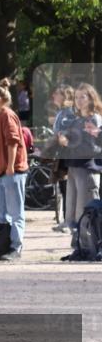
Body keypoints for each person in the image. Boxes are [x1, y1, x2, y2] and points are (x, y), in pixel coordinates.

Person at [0, 82, 29, 261]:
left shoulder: (8, 115)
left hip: (14, 170)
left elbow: (13, 142)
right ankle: (1, 245)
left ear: (0, 99)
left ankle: (15, 247)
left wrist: (11, 165)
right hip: (0, 169)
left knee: (16, 211)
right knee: (1, 211)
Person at [56, 83, 102, 234]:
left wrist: (68, 143)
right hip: (74, 168)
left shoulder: (93, 119)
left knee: (86, 212)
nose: (79, 100)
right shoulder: (77, 120)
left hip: (87, 169)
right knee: (72, 214)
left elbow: (91, 148)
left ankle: (90, 247)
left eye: (83, 96)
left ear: (91, 98)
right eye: (76, 97)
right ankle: (79, 247)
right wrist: (62, 139)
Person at [50, 84, 76, 232]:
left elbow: (68, 132)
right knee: (64, 187)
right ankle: (67, 220)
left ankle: (69, 221)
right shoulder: (62, 112)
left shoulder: (69, 112)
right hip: (61, 153)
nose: (53, 95)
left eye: (57, 93)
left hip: (67, 154)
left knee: (67, 188)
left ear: (64, 96)